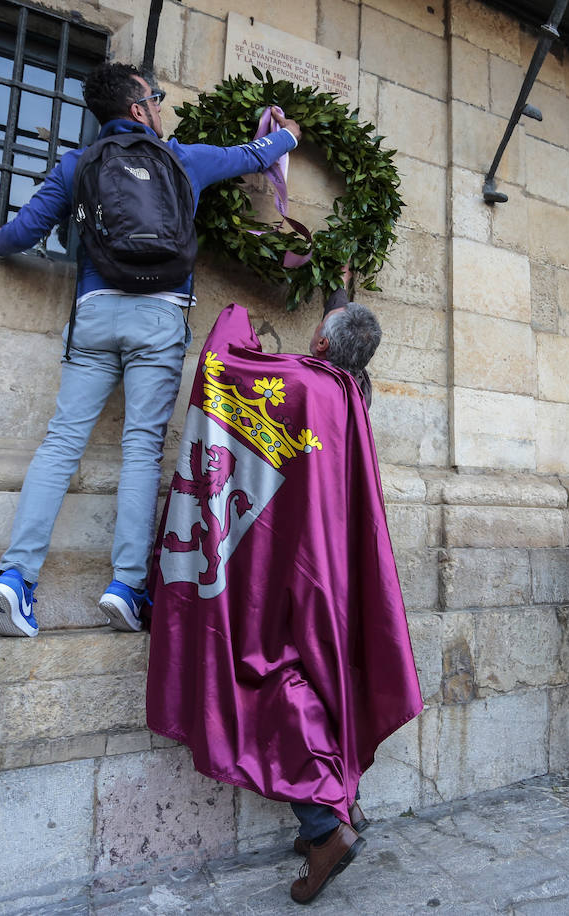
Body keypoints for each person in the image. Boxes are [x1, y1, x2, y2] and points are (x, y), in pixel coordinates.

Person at [0, 61, 302, 638]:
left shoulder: (78, 165)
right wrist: (288, 136)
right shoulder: (182, 158)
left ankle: (16, 576)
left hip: (96, 310)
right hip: (161, 315)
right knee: (141, 449)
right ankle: (125, 586)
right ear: (137, 109)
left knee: (61, 443)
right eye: (154, 97)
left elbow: (22, 232)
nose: (159, 105)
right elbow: (252, 156)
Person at [145, 292, 420, 906]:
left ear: (321, 344)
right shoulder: (352, 397)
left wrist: (235, 318)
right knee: (328, 675)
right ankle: (344, 803)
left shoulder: (303, 381)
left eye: (317, 330)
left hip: (289, 571)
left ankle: (324, 829)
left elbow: (224, 365)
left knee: (272, 673)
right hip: (336, 571)